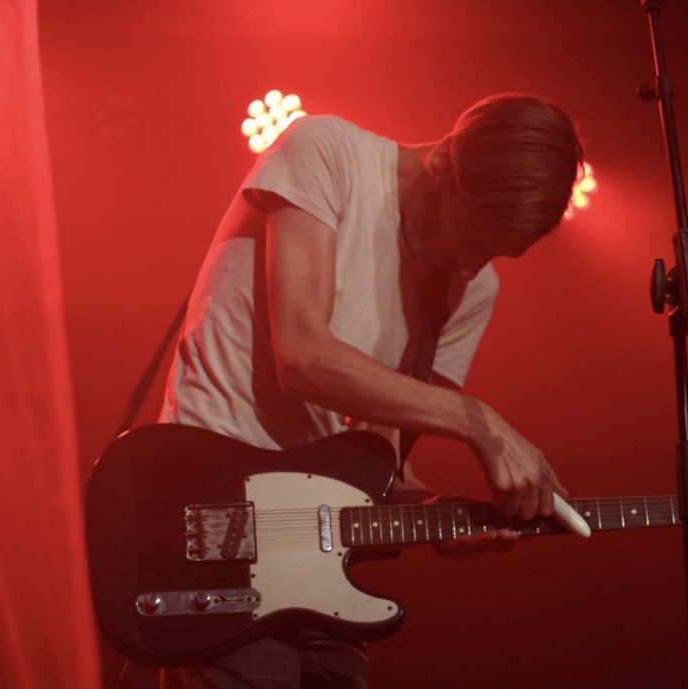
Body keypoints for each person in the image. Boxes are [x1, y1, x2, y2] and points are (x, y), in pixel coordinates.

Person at [158, 93, 584, 688]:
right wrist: (478, 420)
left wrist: (436, 518)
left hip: (317, 557)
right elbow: (302, 356)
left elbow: (374, 461)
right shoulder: (325, 152)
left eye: (494, 254)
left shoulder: (471, 289)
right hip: (217, 511)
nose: (470, 266)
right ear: (442, 165)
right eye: (471, 237)